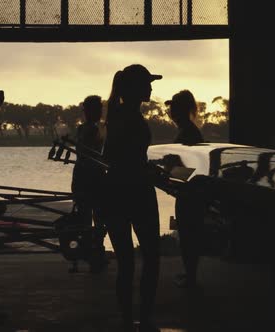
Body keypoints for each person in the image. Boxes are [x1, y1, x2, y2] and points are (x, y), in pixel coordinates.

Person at [102, 64, 162, 332]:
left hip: (114, 195)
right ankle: (146, 317)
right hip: (138, 194)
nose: (151, 87)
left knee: (125, 262)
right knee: (151, 258)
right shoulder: (135, 121)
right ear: (136, 89)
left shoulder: (115, 118)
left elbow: (113, 160)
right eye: (147, 83)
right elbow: (134, 163)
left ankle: (127, 319)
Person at [165, 90, 206, 289]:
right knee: (188, 233)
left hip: (190, 193)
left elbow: (191, 166)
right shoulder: (187, 131)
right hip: (187, 191)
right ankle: (190, 273)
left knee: (189, 234)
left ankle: (191, 276)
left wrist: (170, 172)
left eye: (173, 107)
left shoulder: (188, 133)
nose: (171, 112)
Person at [71, 95, 108, 273]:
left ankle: (90, 251)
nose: (100, 112)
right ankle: (95, 252)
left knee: (87, 217)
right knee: (98, 218)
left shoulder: (83, 129)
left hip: (82, 177)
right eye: (97, 109)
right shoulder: (93, 130)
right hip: (93, 178)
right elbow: (92, 156)